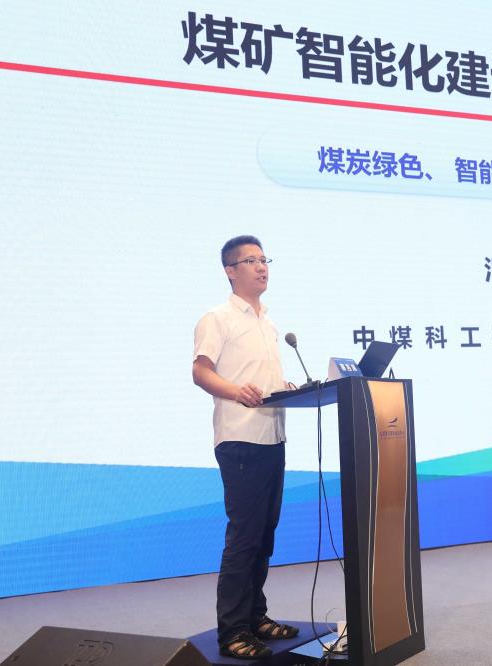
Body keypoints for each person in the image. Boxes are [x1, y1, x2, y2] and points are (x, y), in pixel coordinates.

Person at [192, 235, 299, 660]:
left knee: (264, 535)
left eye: (264, 259)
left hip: (272, 436)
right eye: (251, 260)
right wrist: (237, 391)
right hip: (241, 439)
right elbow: (201, 372)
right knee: (244, 538)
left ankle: (256, 617)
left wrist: (285, 387)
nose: (262, 267)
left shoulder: (267, 322)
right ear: (230, 270)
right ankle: (233, 631)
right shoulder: (217, 318)